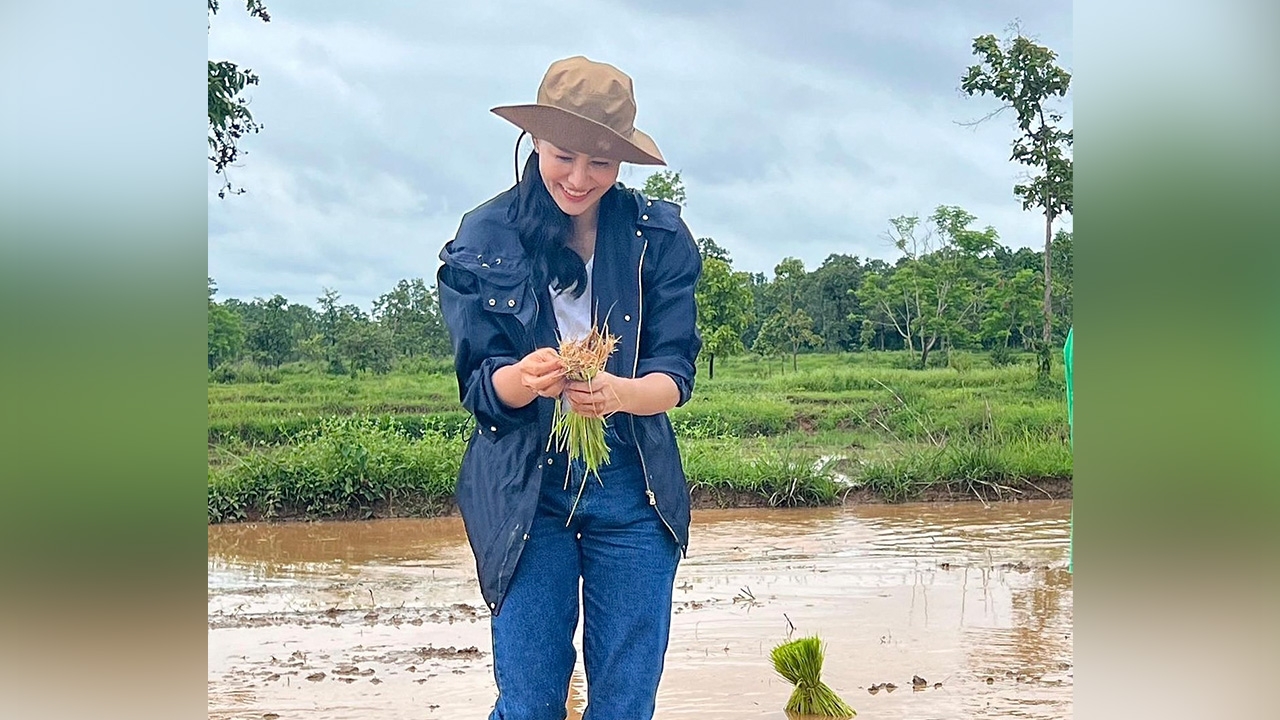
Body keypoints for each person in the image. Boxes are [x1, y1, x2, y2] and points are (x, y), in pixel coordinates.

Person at [436, 56, 703, 720]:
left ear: (622, 165)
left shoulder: (659, 237)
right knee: (528, 702)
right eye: (564, 156)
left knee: (625, 703)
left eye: (601, 164)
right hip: (526, 485)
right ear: (533, 144)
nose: (580, 179)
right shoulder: (484, 237)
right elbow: (481, 386)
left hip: (631, 478)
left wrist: (619, 393)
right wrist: (525, 380)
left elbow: (675, 376)